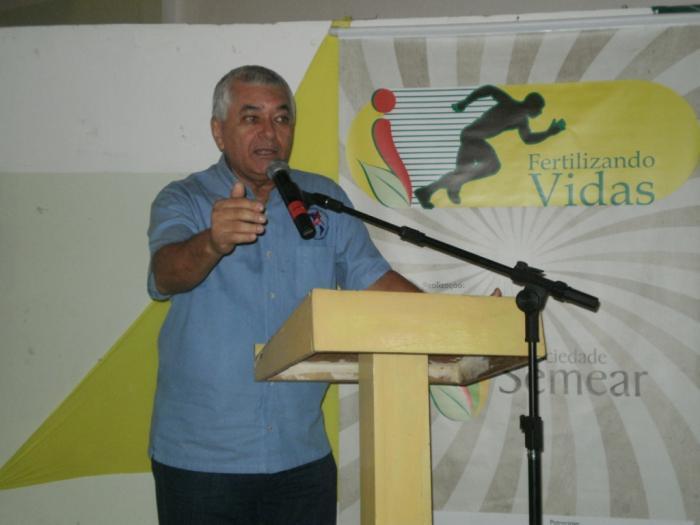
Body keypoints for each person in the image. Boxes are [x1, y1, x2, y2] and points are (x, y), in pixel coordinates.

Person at [146, 65, 419, 525]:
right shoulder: (184, 198)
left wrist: (461, 318)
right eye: (251, 118)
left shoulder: (322, 198)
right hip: (201, 462)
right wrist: (212, 242)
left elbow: (375, 281)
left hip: (299, 458)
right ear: (219, 131)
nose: (269, 133)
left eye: (281, 118)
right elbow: (165, 274)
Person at [415, 85, 566, 209]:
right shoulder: (509, 103)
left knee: (461, 172)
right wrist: (466, 102)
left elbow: (528, 139)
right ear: (532, 106)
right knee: (493, 166)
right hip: (473, 137)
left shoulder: (521, 121)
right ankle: (440, 188)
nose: (540, 113)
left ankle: (435, 190)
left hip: (470, 137)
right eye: (539, 109)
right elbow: (489, 89)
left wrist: (549, 133)